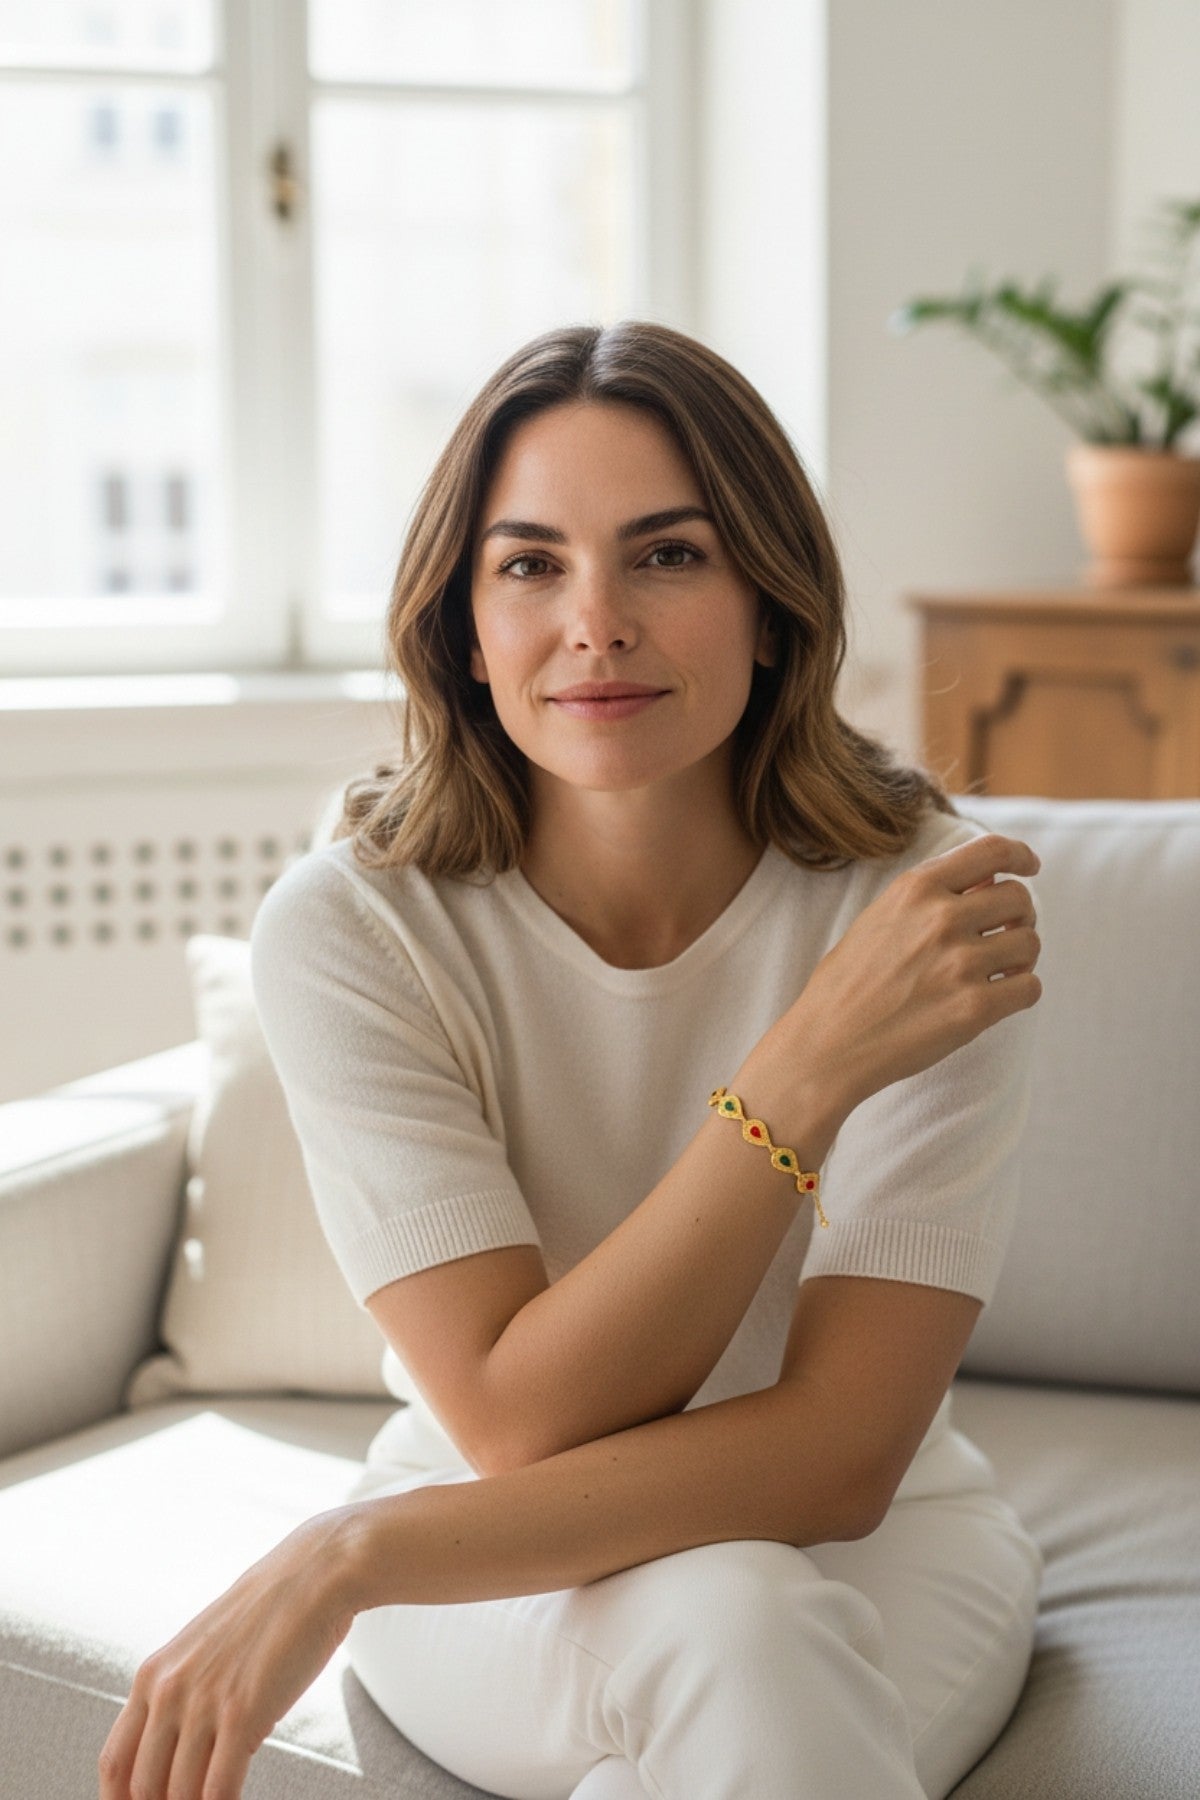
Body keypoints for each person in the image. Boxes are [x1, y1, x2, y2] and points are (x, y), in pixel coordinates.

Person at [99, 319, 1045, 1800]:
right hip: (498, 1534)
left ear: (771, 605)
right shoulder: (355, 928)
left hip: (882, 1537)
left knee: (750, 1641)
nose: (594, 622)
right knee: (739, 1646)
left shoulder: (922, 910)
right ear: (465, 628)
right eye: (530, 564)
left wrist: (351, 1555)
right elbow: (516, 1418)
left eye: (667, 556)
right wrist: (800, 1077)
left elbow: (846, 1452)